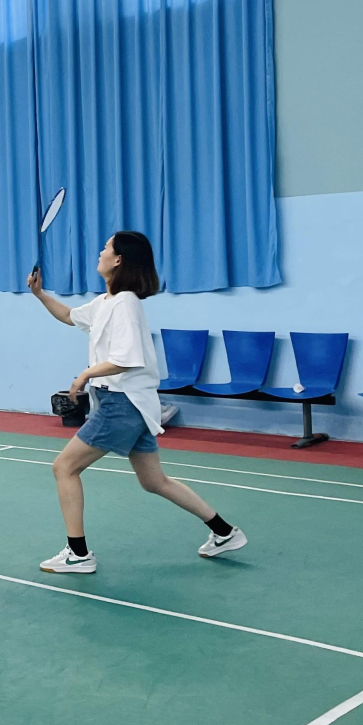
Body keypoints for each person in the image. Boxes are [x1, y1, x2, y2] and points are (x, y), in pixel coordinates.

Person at [26, 231, 246, 573]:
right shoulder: (107, 302)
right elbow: (70, 316)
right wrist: (40, 295)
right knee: (154, 481)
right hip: (134, 404)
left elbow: (127, 359)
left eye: (106, 248)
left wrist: (84, 375)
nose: (100, 252)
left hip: (122, 404)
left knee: (64, 467)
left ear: (118, 260)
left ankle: (78, 554)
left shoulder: (125, 304)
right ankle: (224, 532)